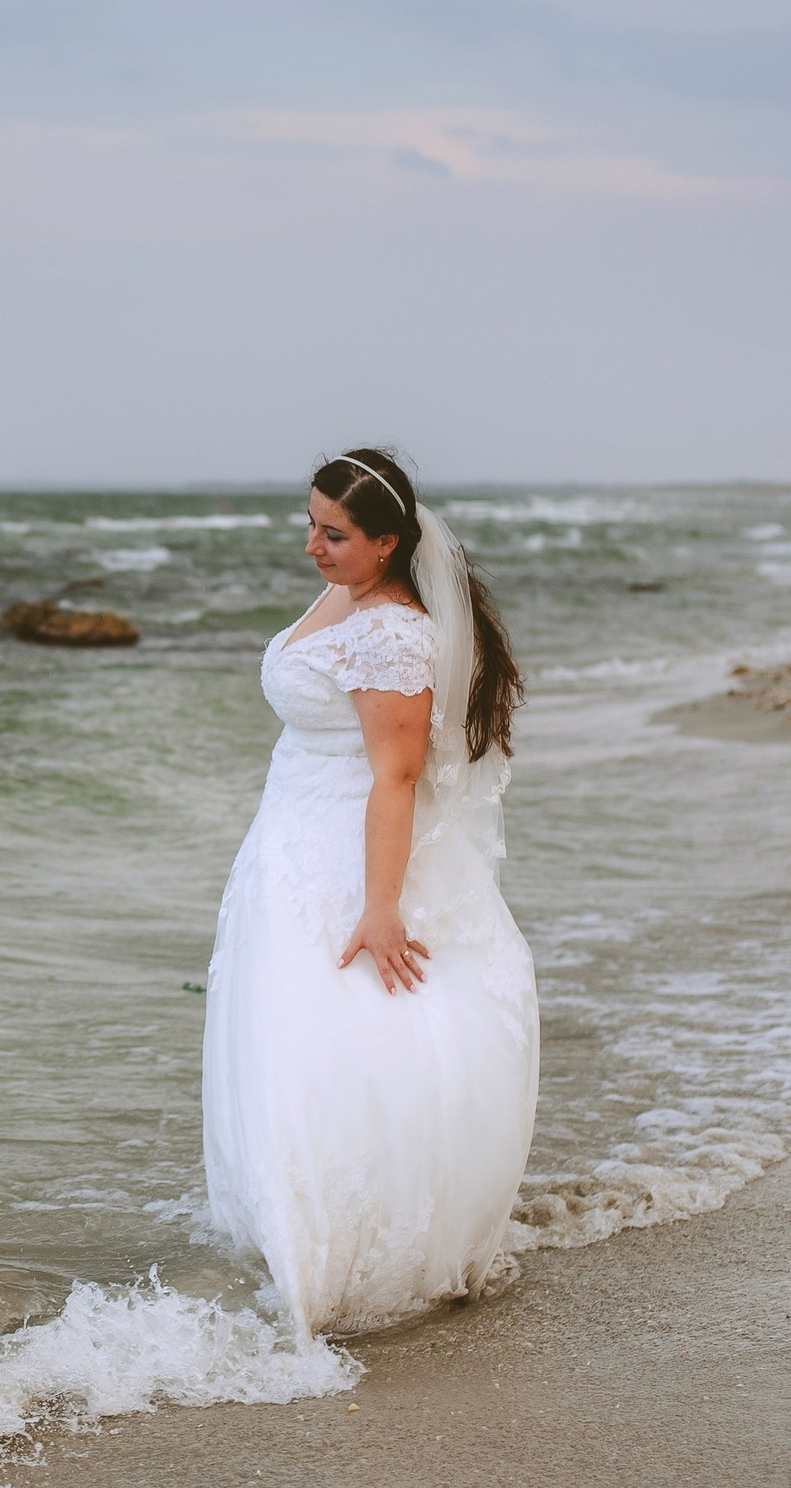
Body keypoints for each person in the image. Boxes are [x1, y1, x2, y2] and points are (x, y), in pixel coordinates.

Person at [202, 447, 538, 1336]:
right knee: (283, 1041)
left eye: (334, 532)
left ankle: (343, 1260)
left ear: (387, 544)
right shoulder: (347, 593)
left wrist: (379, 905)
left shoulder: (392, 631)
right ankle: (297, 1242)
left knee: (341, 1034)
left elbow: (394, 776)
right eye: (310, 522)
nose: (312, 544)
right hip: (286, 837)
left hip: (343, 852)